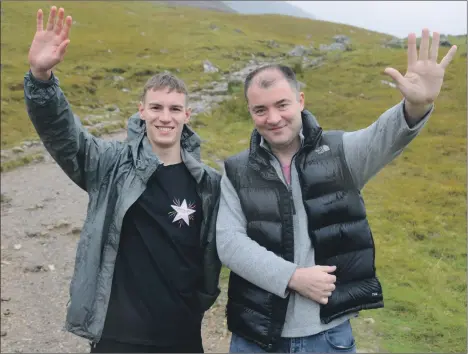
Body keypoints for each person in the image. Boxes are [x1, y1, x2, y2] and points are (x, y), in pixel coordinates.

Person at [216, 28, 457, 353]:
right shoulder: (236, 170)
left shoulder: (341, 153)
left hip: (327, 338)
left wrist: (415, 107)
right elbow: (229, 244)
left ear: (300, 101)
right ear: (250, 112)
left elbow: (383, 136)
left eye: (282, 104)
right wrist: (293, 277)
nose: (273, 118)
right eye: (260, 110)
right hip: (255, 337)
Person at [24, 6, 222, 353]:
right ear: (141, 110)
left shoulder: (208, 183)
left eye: (175, 109)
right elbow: (64, 135)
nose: (165, 117)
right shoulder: (110, 164)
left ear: (187, 115)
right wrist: (41, 80)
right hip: (118, 335)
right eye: (156, 107)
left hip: (182, 334)